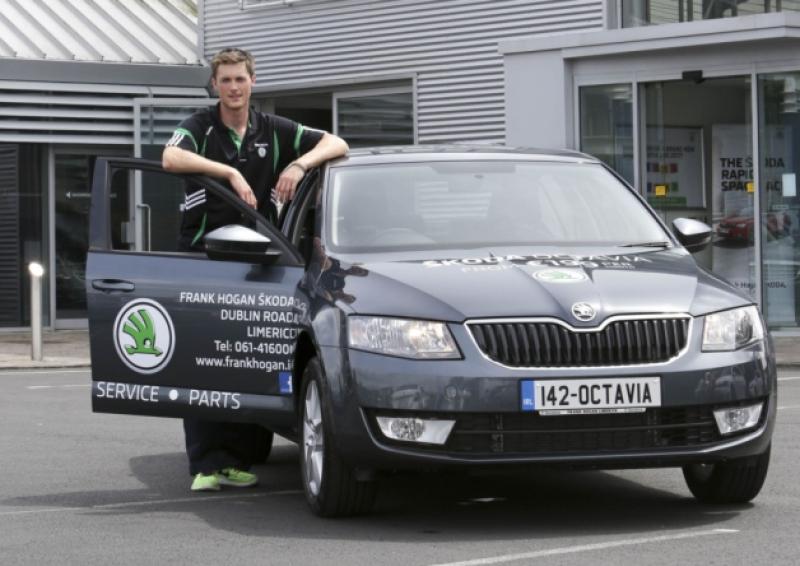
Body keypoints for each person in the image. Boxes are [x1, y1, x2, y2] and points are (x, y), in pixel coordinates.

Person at [162, 47, 349, 492]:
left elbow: (337, 143)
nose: (232, 87)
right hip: (203, 259)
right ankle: (207, 465)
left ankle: (236, 458)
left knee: (245, 356)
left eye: (239, 80)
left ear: (252, 82)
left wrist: (301, 163)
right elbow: (170, 158)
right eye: (224, 80)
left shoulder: (273, 129)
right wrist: (227, 172)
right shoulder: (200, 128)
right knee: (204, 361)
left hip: (257, 265)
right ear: (214, 85)